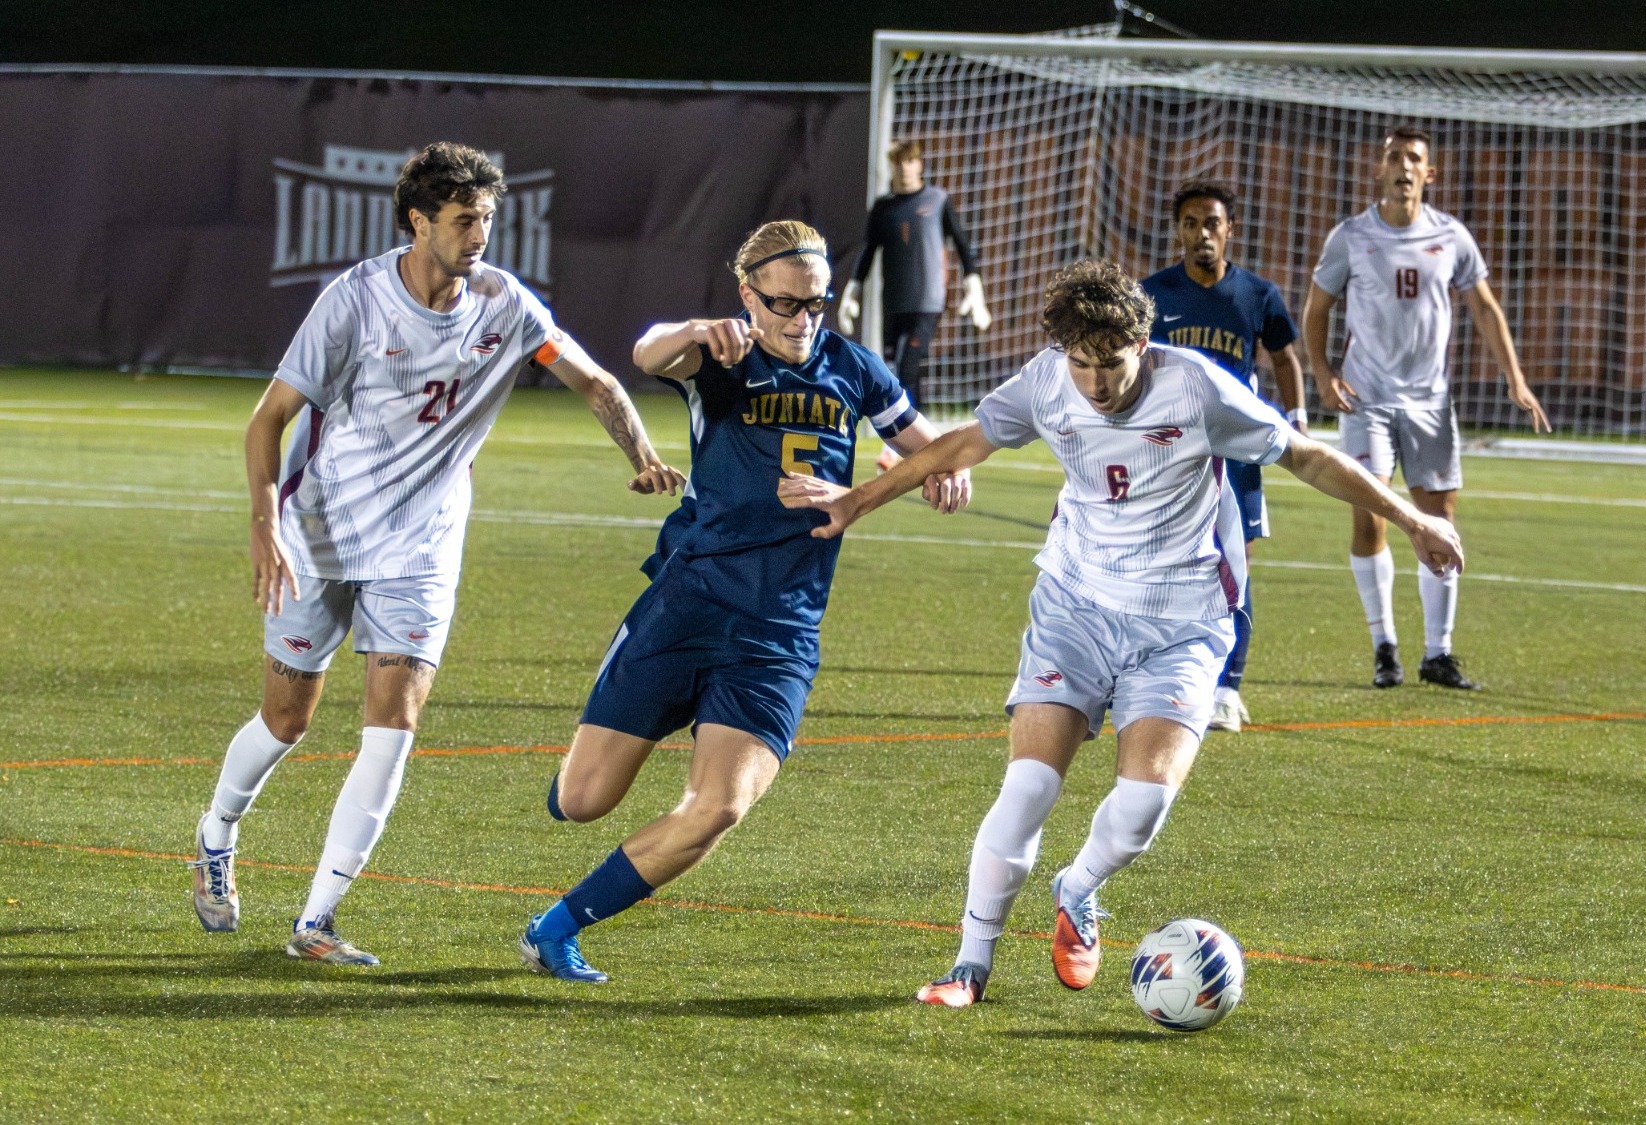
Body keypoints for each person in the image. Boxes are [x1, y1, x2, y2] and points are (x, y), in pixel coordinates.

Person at [779, 260, 1462, 1006]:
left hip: (1183, 620)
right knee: (1027, 788)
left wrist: (1413, 517)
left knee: (1141, 810)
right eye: (1080, 364)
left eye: (1111, 363)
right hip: (1074, 605)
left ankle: (1079, 885)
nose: (1095, 384)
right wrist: (859, 500)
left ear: (1144, 341)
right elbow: (962, 444)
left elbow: (1308, 457)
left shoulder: (1196, 386)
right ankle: (968, 968)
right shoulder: (1045, 381)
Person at [189, 142, 683, 965]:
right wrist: (262, 523)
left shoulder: (505, 304)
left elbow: (593, 379)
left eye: (488, 216)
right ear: (418, 222)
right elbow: (268, 418)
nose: (479, 233)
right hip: (321, 534)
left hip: (420, 550)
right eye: (463, 219)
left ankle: (317, 920)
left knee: (393, 725)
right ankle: (216, 831)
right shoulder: (355, 301)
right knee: (288, 718)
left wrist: (640, 454)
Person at [518, 221, 972, 983]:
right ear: (748, 296)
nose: (802, 321)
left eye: (817, 305)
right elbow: (645, 352)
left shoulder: (854, 369)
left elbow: (937, 447)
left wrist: (920, 473)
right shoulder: (720, 355)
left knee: (718, 807)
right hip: (688, 601)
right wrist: (698, 328)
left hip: (780, 625)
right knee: (584, 798)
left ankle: (556, 926)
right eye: (785, 304)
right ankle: (596, 760)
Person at [1301, 126, 1550, 692]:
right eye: (1394, 156)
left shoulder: (1451, 236)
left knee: (1440, 520)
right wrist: (1322, 373)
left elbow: (1484, 307)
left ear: (1429, 174)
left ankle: (1438, 653)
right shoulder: (1351, 236)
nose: (1404, 166)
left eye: (1414, 158)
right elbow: (1317, 309)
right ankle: (1384, 645)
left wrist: (1515, 378)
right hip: (1367, 399)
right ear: (1379, 169)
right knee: (1369, 517)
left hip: (1431, 404)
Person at [1140, 181, 1307, 733]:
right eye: (1190, 223)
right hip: (1169, 446)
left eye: (1211, 222)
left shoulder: (1256, 295)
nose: (1201, 234)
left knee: (1235, 562)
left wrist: (1297, 415)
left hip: (1234, 447)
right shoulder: (1151, 294)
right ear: (1178, 231)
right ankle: (1153, 675)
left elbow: (1284, 356)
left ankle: (1227, 691)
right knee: (1155, 556)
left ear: (1229, 229)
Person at [837, 138, 991, 455]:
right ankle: (910, 442)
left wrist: (975, 289)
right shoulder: (883, 208)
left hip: (927, 302)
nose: (905, 168)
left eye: (911, 161)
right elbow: (867, 253)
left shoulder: (937, 200)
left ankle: (900, 448)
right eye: (899, 162)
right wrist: (851, 292)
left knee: (909, 366)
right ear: (892, 166)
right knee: (893, 372)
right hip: (892, 304)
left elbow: (963, 246)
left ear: (920, 164)